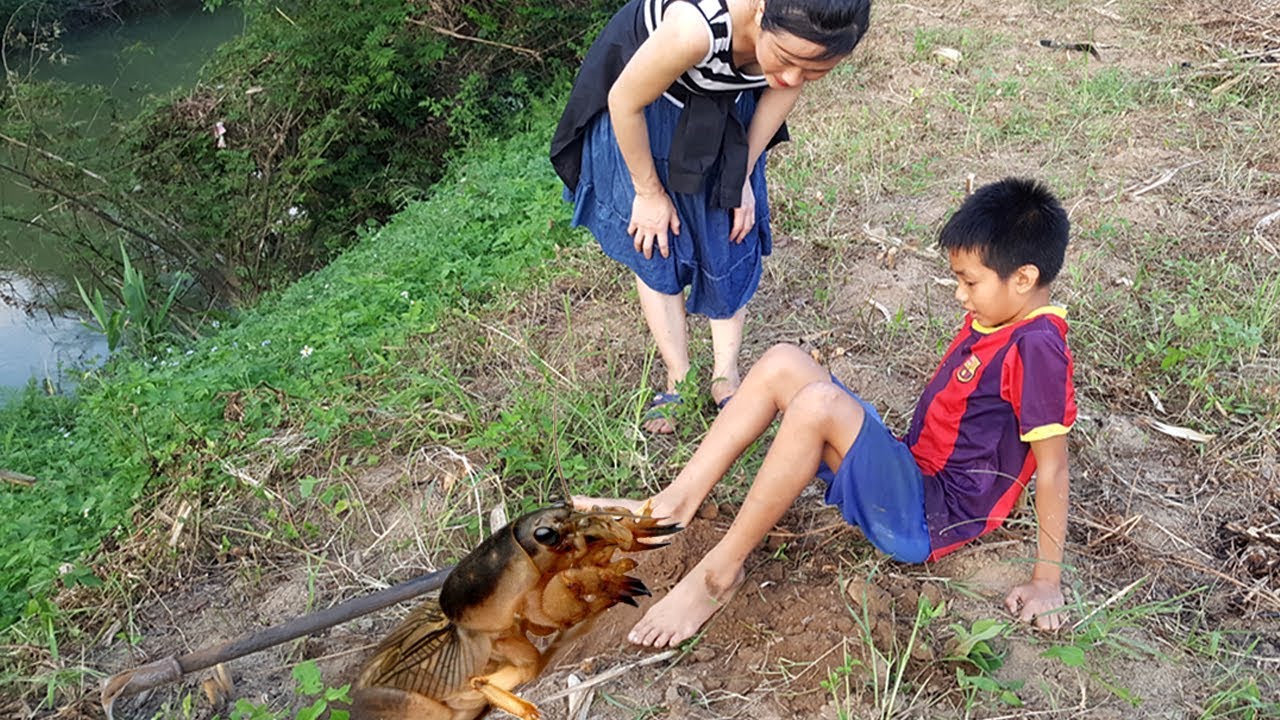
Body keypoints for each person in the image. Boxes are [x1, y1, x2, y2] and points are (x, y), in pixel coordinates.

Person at [577, 177, 1077, 646]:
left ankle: (719, 572)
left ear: (1024, 278)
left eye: (969, 282)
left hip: (930, 516)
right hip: (912, 472)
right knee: (781, 362)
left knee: (818, 404)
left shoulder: (1037, 347)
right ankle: (670, 508)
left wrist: (1046, 581)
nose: (959, 294)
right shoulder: (1006, 317)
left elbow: (1052, 467)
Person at [551, 0, 872, 433]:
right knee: (658, 242)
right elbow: (624, 99)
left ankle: (727, 377)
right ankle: (678, 377)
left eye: (816, 69)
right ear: (760, 12)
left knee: (730, 234)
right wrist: (648, 192)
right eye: (789, 59)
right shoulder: (694, 28)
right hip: (649, 111)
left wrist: (742, 175)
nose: (795, 76)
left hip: (724, 101)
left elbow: (782, 89)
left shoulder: (802, 43)